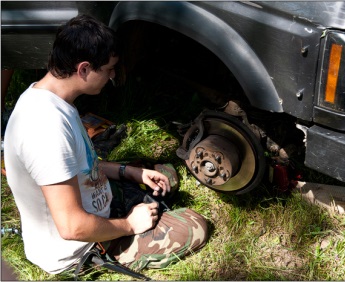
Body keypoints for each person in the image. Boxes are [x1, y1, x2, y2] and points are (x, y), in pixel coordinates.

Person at [3, 14, 208, 275]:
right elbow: (72, 227)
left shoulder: (49, 96)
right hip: (80, 245)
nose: (112, 75)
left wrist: (130, 172)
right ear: (84, 69)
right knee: (194, 225)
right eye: (109, 68)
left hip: (96, 206)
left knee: (165, 175)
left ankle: (130, 204)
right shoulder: (46, 129)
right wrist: (130, 225)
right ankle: (116, 245)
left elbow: (79, 165)